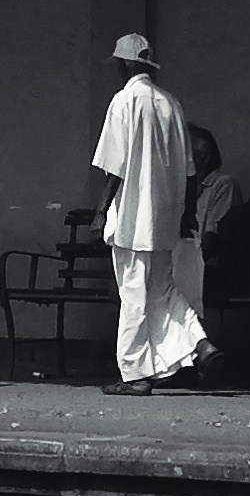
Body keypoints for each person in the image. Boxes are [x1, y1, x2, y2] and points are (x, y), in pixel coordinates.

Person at [86, 33, 206, 390]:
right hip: (165, 219)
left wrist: (100, 212)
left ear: (123, 64)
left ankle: (135, 374)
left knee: (134, 295)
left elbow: (114, 167)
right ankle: (200, 342)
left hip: (134, 220)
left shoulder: (124, 102)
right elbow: (190, 169)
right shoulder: (171, 104)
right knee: (163, 290)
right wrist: (185, 214)